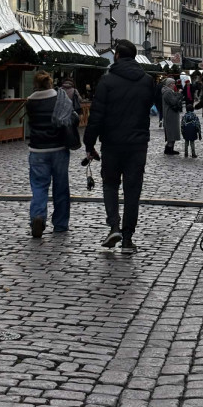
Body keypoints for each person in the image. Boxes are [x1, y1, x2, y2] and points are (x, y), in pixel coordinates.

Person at [83, 39, 155, 253]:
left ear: (117, 56)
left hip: (112, 143)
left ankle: (114, 225)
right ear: (134, 56)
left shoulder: (107, 81)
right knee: (133, 190)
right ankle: (127, 238)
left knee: (110, 185)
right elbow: (148, 107)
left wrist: (89, 143)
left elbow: (96, 115)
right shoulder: (147, 81)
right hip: (137, 144)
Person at [26, 71, 75, 238]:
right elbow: (72, 116)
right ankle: (60, 224)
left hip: (37, 149)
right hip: (59, 148)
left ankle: (38, 216)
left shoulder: (30, 101)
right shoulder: (59, 97)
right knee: (61, 187)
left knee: (39, 186)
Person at [161, 78, 182, 155]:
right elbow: (173, 101)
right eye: (173, 83)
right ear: (169, 84)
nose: (174, 85)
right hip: (170, 115)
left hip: (172, 114)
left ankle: (171, 148)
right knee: (171, 132)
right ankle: (169, 149)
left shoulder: (169, 92)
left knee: (173, 132)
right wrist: (179, 94)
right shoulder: (167, 92)